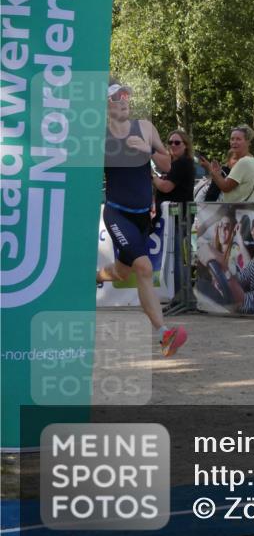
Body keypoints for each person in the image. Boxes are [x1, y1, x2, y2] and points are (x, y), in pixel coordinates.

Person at [97, 82, 188, 356]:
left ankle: (92, 278)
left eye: (126, 96)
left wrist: (146, 150)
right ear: (106, 105)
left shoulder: (145, 128)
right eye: (117, 97)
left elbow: (167, 164)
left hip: (142, 217)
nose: (124, 100)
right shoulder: (99, 136)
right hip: (117, 213)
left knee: (122, 272)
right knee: (145, 268)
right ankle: (164, 334)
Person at [206, 125, 254, 203]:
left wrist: (210, 169)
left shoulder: (244, 162)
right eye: (232, 139)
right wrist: (218, 174)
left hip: (239, 209)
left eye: (238, 139)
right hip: (247, 209)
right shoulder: (252, 159)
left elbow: (226, 187)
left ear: (248, 142)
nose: (234, 142)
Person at [153, 129, 195, 209]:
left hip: (177, 213)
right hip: (177, 211)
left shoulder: (182, 162)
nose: (173, 145)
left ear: (186, 145)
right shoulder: (176, 163)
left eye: (177, 142)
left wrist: (152, 175)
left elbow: (166, 187)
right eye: (170, 142)